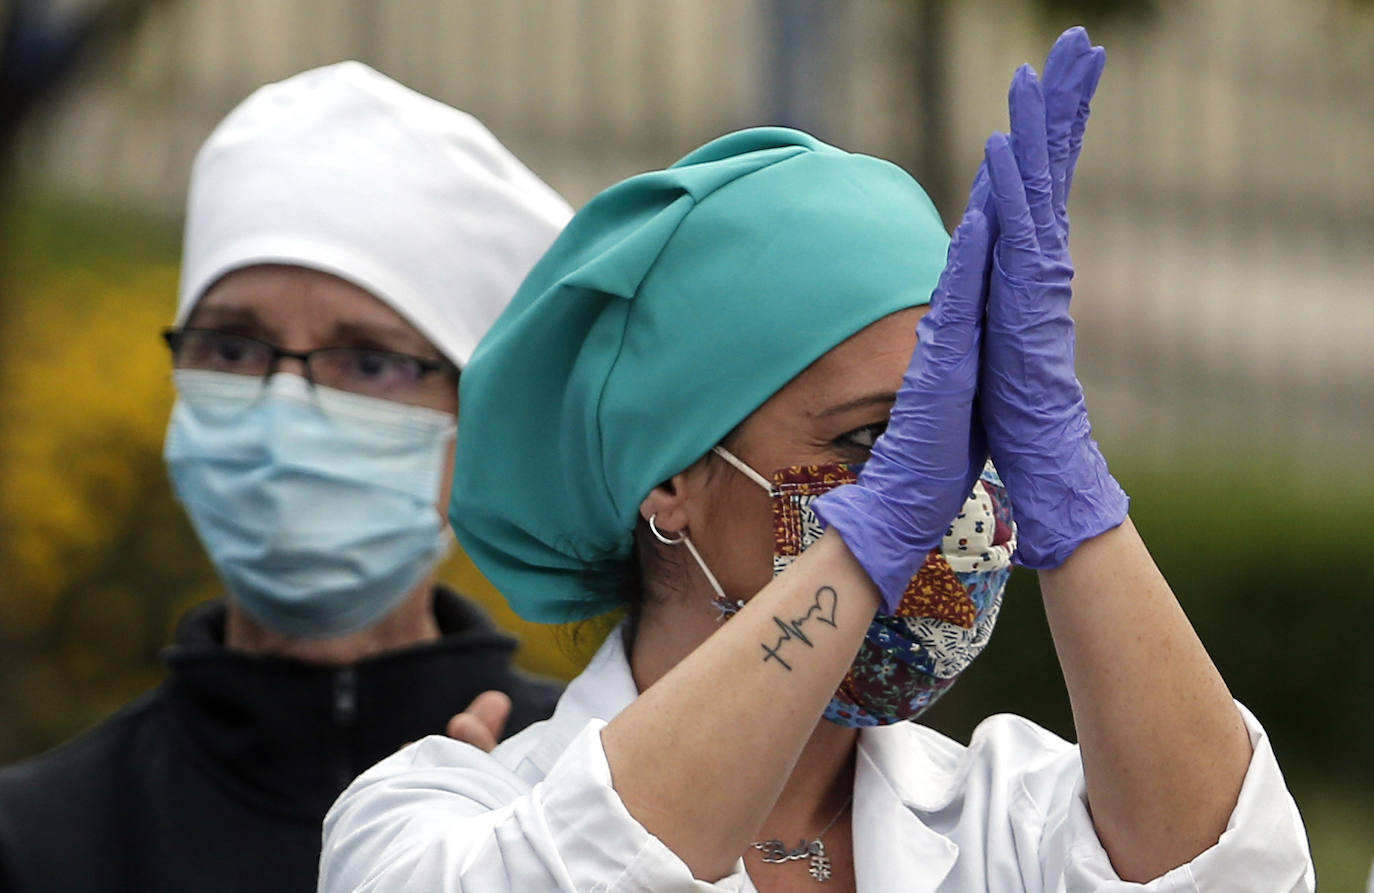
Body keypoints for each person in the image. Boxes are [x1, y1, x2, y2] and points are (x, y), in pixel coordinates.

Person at [320, 29, 1314, 893]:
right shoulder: (440, 816)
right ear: (670, 480)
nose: (944, 509)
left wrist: (1068, 477)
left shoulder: (1016, 813)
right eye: (873, 443)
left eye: (970, 443)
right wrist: (861, 549)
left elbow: (1231, 869)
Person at [0, 62, 570, 892]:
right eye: (232, 348)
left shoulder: (594, 804)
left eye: (368, 361)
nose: (285, 410)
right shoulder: (39, 842)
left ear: (476, 420)